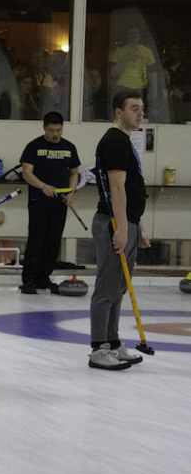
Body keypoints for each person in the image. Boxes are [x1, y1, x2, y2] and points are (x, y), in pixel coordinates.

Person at [89, 90, 150, 370]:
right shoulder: (114, 141)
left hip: (128, 223)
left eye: (141, 108)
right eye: (134, 108)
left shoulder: (124, 141)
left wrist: (138, 226)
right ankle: (99, 348)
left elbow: (134, 189)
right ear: (118, 112)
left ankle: (112, 343)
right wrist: (123, 228)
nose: (140, 113)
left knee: (118, 288)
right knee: (107, 287)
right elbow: (116, 189)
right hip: (114, 223)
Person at [18, 112, 81, 295]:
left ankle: (44, 278)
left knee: (53, 242)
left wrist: (71, 192)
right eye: (51, 130)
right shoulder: (34, 146)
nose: (55, 134)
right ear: (44, 128)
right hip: (39, 200)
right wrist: (43, 186)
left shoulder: (69, 147)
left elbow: (74, 173)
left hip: (60, 202)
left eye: (59, 130)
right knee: (36, 240)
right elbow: (27, 173)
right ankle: (29, 279)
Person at [110, 27, 157, 113]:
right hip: (123, 86)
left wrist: (154, 91)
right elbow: (113, 72)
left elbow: (152, 73)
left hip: (141, 88)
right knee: (124, 113)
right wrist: (126, 59)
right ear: (127, 36)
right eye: (131, 33)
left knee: (140, 113)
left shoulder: (147, 51)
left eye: (135, 33)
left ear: (139, 36)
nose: (133, 36)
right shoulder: (120, 51)